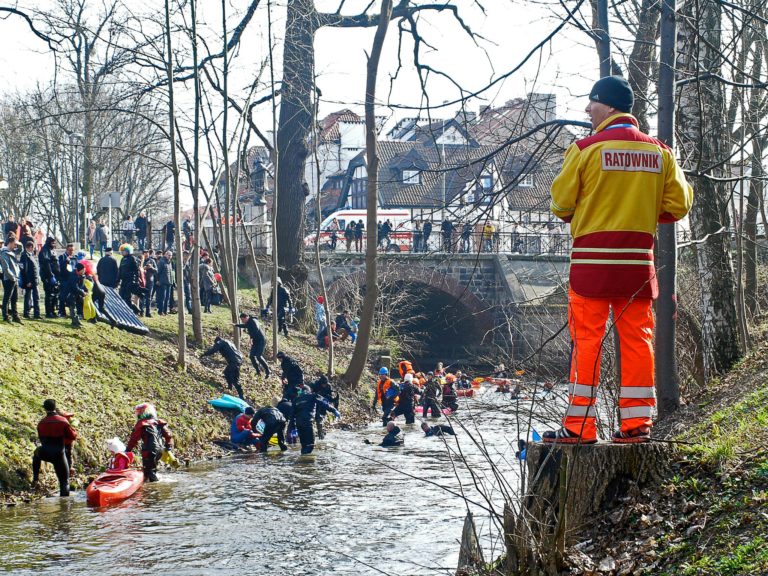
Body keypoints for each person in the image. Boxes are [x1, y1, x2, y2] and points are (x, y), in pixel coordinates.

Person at [545, 75, 693, 444]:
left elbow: (561, 204)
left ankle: (579, 428)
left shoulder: (585, 149)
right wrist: (642, 207)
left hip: (590, 265)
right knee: (638, 341)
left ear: (608, 106)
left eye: (592, 103)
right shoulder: (660, 152)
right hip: (637, 265)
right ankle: (637, 426)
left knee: (587, 342)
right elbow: (679, 205)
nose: (587, 109)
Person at [32, 399, 78, 496]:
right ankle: (65, 507)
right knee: (64, 482)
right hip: (59, 454)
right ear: (55, 407)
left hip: (45, 452)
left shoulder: (41, 423)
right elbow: (72, 436)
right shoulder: (63, 421)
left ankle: (35, 479)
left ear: (45, 409)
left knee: (36, 454)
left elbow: (41, 439)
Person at [126, 403, 174, 482]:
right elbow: (168, 435)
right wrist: (168, 446)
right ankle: (152, 483)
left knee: (149, 471)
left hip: (149, 451)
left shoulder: (141, 424)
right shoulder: (158, 422)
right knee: (152, 467)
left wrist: (128, 450)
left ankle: (153, 488)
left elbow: (134, 439)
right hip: (160, 450)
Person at [292, 385, 340, 454]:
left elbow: (292, 415)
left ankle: (302, 460)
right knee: (311, 445)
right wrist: (334, 410)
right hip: (308, 424)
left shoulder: (296, 400)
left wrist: (292, 428)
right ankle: (306, 462)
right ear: (308, 391)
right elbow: (324, 403)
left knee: (304, 445)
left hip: (299, 425)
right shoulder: (313, 396)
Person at [235, 311, 271, 378]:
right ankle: (258, 371)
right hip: (255, 341)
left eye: (242, 320)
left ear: (246, 317)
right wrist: (236, 325)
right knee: (251, 356)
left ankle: (268, 371)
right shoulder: (248, 322)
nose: (242, 321)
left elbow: (256, 329)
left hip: (261, 340)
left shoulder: (254, 320)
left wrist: (251, 338)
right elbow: (245, 326)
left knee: (258, 356)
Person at [0, 233, 22, 323]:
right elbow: (6, 268)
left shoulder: (12, 251)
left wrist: (19, 243)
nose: (15, 246)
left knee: (14, 298)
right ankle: (5, 316)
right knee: (7, 298)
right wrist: (12, 278)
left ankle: (15, 315)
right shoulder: (4, 253)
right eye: (14, 244)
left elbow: (20, 250)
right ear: (10, 243)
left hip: (14, 278)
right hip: (9, 279)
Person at [310, 374, 338, 440]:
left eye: (325, 384)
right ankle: (317, 432)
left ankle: (320, 433)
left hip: (323, 403)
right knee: (315, 417)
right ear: (320, 382)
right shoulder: (314, 384)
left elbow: (330, 397)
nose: (324, 385)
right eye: (323, 384)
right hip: (314, 402)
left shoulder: (328, 386)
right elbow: (309, 393)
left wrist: (335, 408)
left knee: (320, 418)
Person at [117, 244, 143, 314]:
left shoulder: (132, 258)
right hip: (124, 281)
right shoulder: (122, 259)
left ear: (128, 251)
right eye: (121, 251)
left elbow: (137, 271)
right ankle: (134, 309)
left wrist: (135, 281)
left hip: (130, 281)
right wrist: (118, 280)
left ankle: (133, 310)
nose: (122, 252)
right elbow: (120, 270)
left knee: (127, 297)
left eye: (123, 251)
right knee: (121, 296)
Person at [38, 237, 60, 318]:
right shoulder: (45, 250)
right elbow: (46, 264)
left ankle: (53, 311)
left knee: (54, 294)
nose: (54, 245)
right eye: (52, 243)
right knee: (49, 294)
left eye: (55, 243)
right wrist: (51, 275)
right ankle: (48, 312)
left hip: (54, 275)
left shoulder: (52, 250)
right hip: (48, 276)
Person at [19, 240, 41, 319]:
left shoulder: (31, 255)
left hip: (34, 280)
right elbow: (24, 270)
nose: (33, 249)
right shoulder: (24, 256)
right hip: (30, 281)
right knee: (28, 297)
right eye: (32, 247)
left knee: (36, 297)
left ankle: (36, 314)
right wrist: (27, 281)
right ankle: (27, 313)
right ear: (30, 247)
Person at [156, 250, 173, 315]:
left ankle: (165, 311)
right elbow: (158, 272)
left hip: (169, 282)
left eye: (170, 255)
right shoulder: (162, 262)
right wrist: (158, 280)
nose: (170, 256)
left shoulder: (169, 262)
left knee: (167, 298)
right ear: (165, 255)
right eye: (168, 255)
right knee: (162, 297)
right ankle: (160, 311)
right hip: (162, 282)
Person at [141, 250, 157, 317]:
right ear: (143, 254)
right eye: (145, 254)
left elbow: (156, 270)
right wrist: (144, 268)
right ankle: (141, 311)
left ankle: (148, 312)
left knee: (149, 297)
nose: (146, 255)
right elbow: (138, 269)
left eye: (147, 253)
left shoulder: (152, 261)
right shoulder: (141, 261)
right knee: (141, 296)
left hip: (150, 281)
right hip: (142, 281)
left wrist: (151, 267)